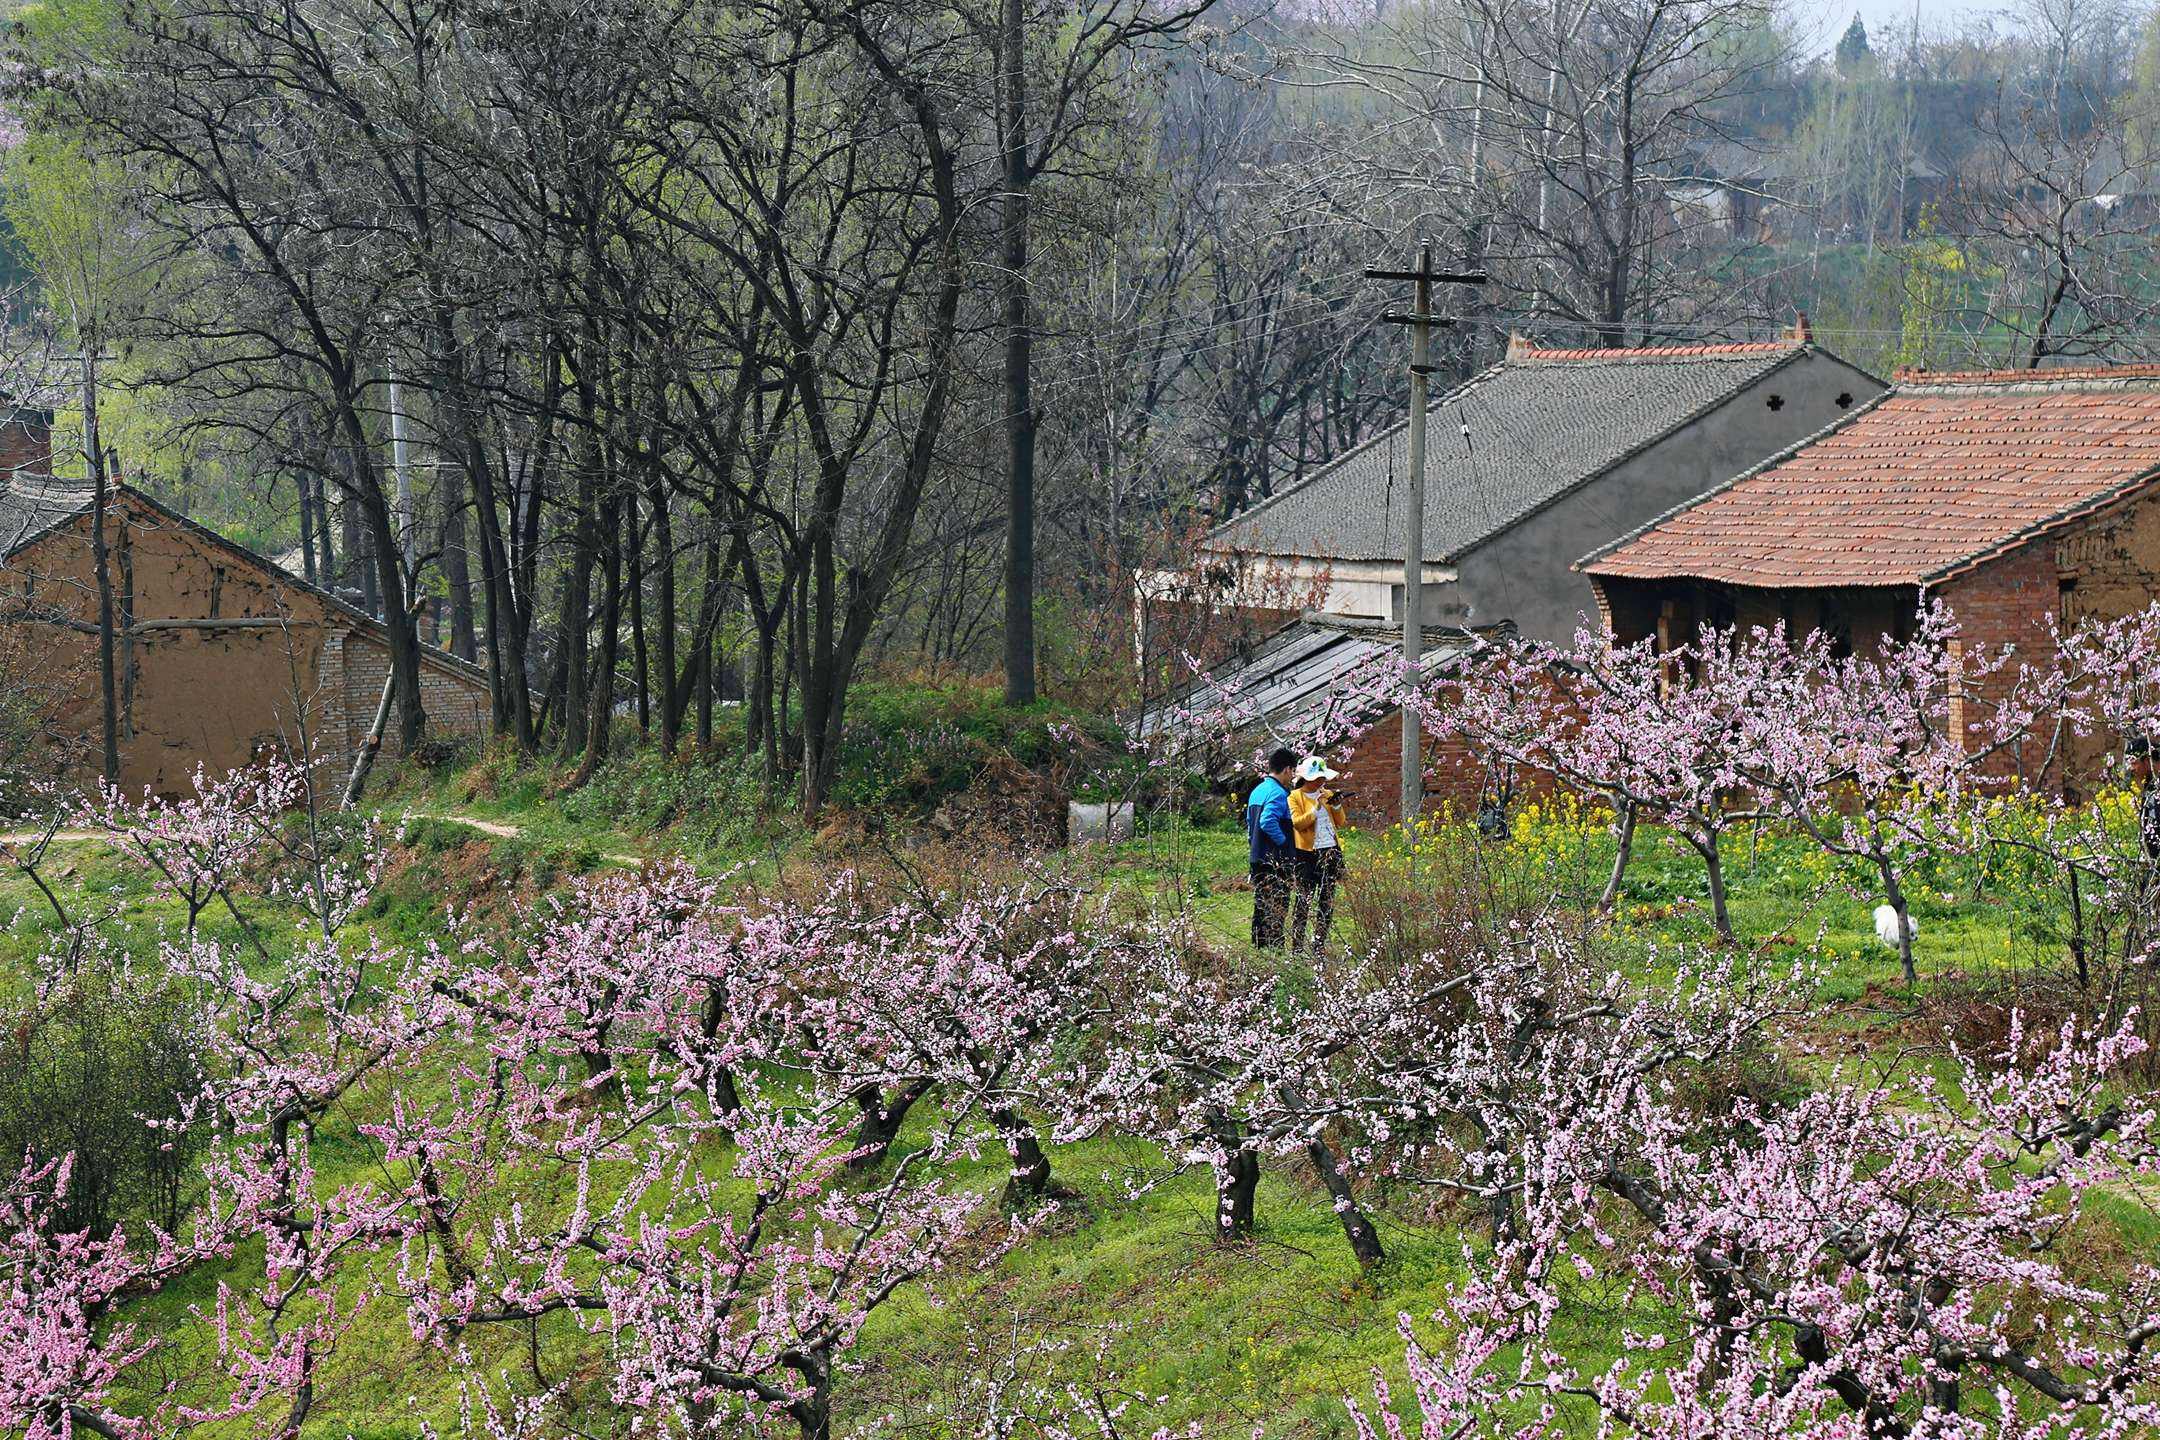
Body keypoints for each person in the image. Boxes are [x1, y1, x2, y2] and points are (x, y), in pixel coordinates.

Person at [1289, 754, 1347, 957]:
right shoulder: (1295, 797)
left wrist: (1337, 805)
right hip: (1307, 854)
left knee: (1327, 899)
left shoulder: (1327, 793)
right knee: (1304, 899)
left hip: (1330, 850)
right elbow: (1298, 823)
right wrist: (1315, 808)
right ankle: (1297, 946)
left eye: (1324, 779)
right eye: (1319, 778)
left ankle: (1319, 944)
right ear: (1308, 778)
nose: (1323, 782)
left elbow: (1340, 822)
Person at [1246, 747, 1299, 950]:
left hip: (1258, 856)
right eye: (1292, 771)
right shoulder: (1278, 793)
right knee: (1278, 905)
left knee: (1261, 904)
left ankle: (1258, 946)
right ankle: (1275, 949)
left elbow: (1251, 824)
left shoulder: (1257, 790)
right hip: (1275, 860)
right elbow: (1267, 821)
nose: (1292, 776)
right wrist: (1284, 842)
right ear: (1287, 769)